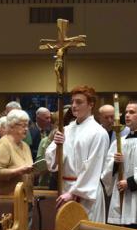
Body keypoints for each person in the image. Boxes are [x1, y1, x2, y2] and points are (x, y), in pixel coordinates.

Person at [45, 85, 109, 222]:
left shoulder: (98, 133)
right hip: (65, 190)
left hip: (86, 194)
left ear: (91, 104)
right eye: (73, 101)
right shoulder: (66, 129)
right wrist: (57, 146)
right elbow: (52, 164)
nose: (73, 106)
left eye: (79, 102)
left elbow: (93, 167)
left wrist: (73, 193)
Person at [0, 109, 34, 230]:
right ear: (11, 126)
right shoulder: (4, 144)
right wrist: (19, 171)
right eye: (23, 125)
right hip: (6, 203)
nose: (26, 129)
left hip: (24, 201)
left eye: (27, 125)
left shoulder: (25, 146)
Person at [101, 101, 137, 229]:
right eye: (126, 112)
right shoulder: (119, 142)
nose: (127, 115)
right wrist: (114, 164)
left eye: (132, 112)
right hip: (121, 199)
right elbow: (105, 172)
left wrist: (131, 182)